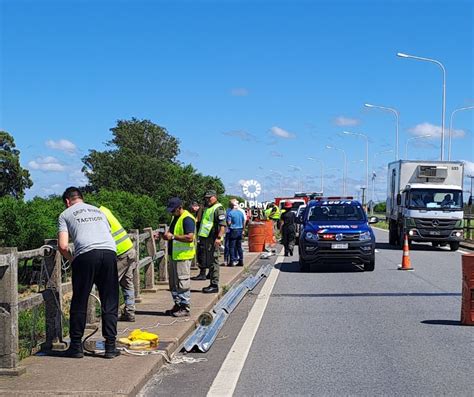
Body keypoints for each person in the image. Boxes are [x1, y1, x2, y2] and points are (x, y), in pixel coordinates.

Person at [57, 187, 120, 359]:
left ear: (67, 201)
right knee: (110, 299)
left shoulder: (65, 214)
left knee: (80, 299)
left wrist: (73, 260)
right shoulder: (99, 211)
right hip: (109, 253)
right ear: (82, 199)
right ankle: (110, 346)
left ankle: (76, 346)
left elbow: (62, 246)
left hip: (86, 255)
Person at [99, 206, 137, 322]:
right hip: (129, 249)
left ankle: (110, 314)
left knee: (109, 283)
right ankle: (130, 312)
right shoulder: (104, 210)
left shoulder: (98, 216)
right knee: (127, 282)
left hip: (120, 253)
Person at [161, 198, 196, 317]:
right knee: (173, 283)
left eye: (173, 210)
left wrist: (173, 237)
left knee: (182, 282)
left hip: (183, 256)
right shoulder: (175, 217)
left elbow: (190, 237)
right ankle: (177, 304)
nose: (171, 213)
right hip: (174, 255)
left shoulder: (187, 219)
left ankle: (185, 307)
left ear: (179, 208)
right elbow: (172, 234)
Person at [193, 190, 226, 293]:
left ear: (215, 197)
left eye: (210, 197)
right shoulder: (208, 208)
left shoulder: (218, 208)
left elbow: (222, 225)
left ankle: (214, 285)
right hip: (206, 238)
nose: (208, 199)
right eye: (206, 198)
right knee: (209, 260)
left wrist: (219, 238)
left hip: (214, 238)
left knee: (214, 261)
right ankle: (211, 281)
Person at [227, 202, 245, 266]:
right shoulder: (240, 213)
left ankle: (231, 261)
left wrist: (229, 225)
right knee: (239, 247)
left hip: (233, 230)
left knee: (231, 247)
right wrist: (243, 230)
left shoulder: (230, 213)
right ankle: (241, 261)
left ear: (231, 207)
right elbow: (243, 222)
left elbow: (229, 223)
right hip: (240, 230)